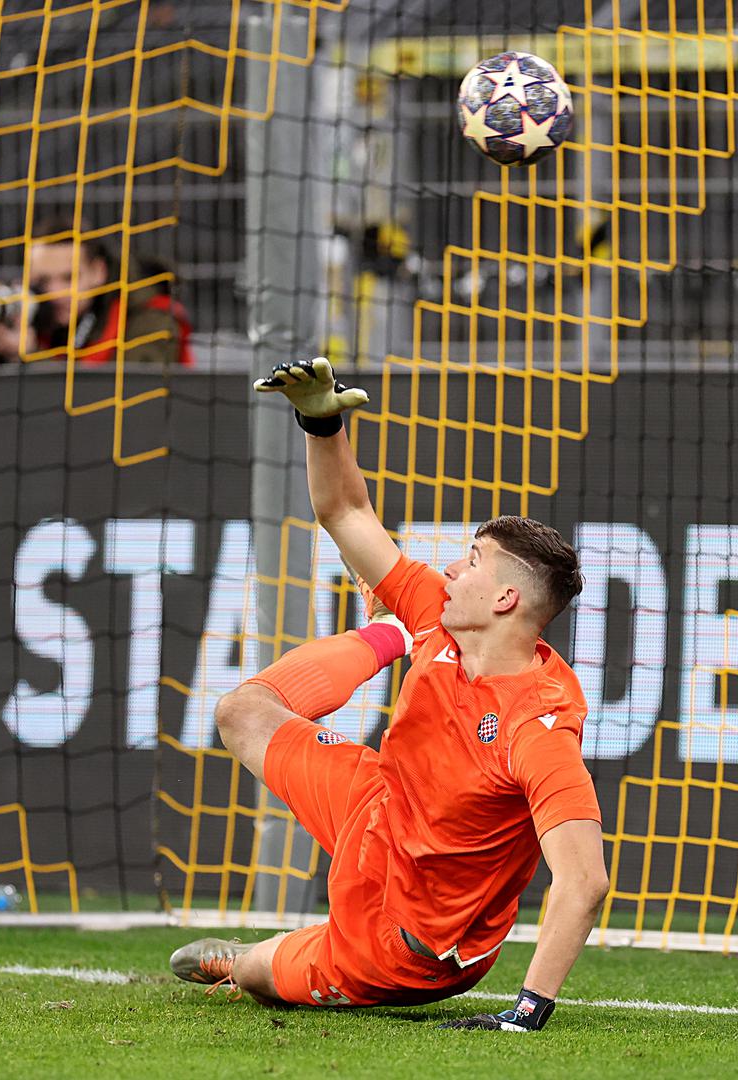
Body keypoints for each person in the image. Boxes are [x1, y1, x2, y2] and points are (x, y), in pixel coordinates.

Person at [168, 356, 608, 1033]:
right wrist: (320, 422)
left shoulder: (537, 725)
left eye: (472, 559)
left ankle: (252, 962)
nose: (453, 566)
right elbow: (344, 511)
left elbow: (584, 882)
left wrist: (527, 1013)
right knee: (242, 712)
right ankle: (383, 634)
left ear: (505, 598)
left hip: (405, 939)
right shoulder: (441, 614)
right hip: (376, 803)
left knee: (259, 976)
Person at [0, 215, 193, 367]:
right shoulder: (38, 318)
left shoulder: (152, 317)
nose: (55, 293)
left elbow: (127, 406)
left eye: (68, 278)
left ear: (98, 272)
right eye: (43, 280)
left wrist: (33, 356)